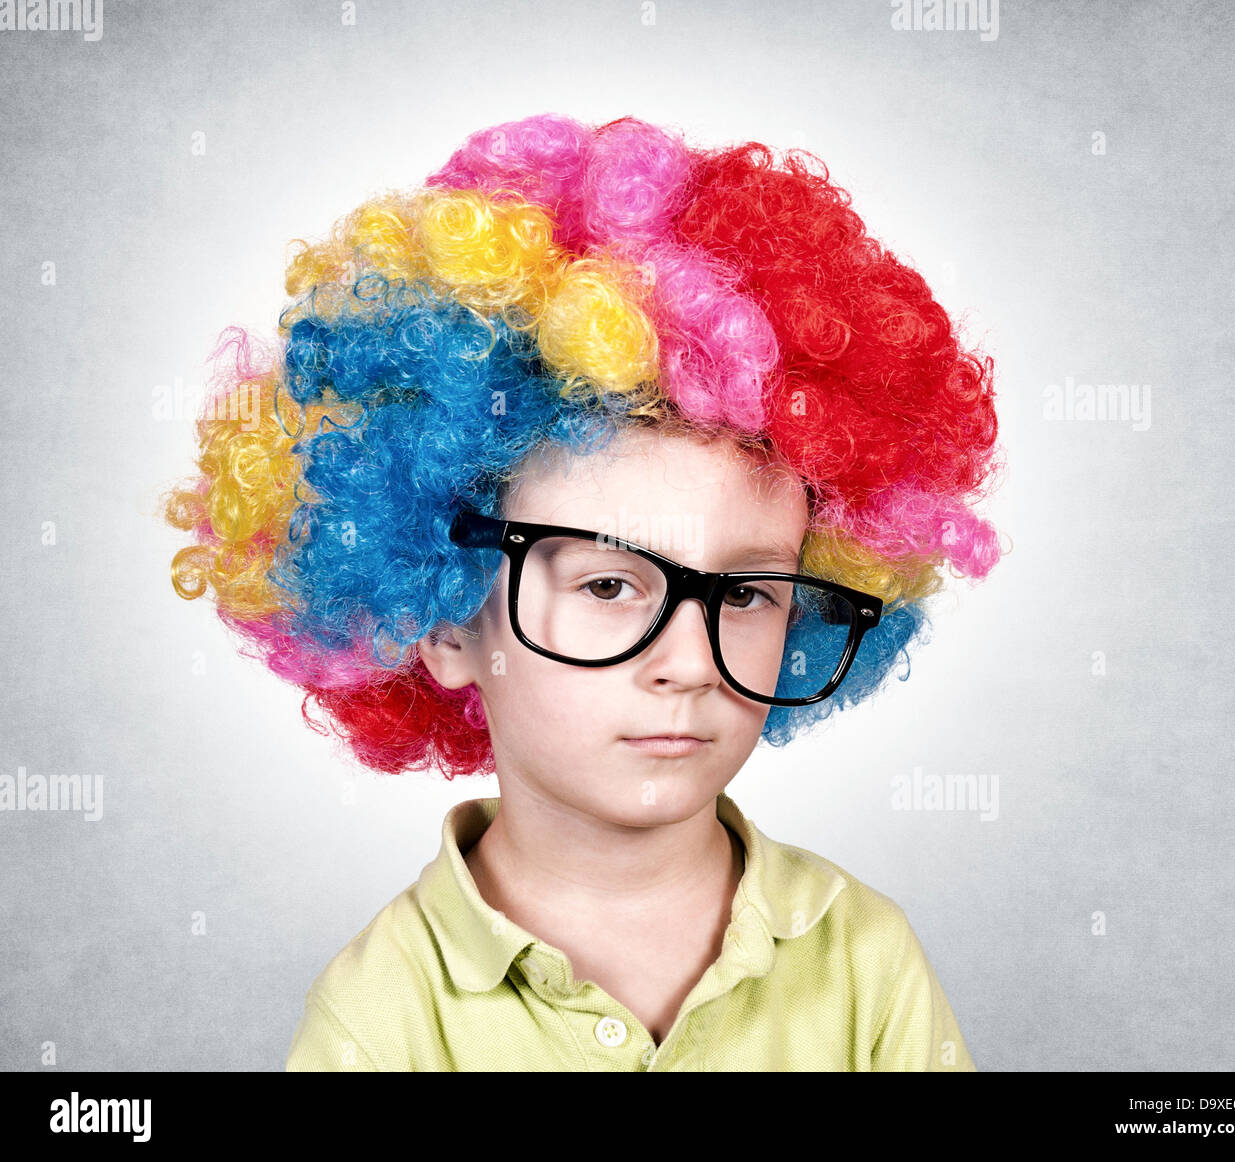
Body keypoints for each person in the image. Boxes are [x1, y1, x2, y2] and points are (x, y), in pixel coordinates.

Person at [161, 113, 1005, 1071]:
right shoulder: (383, 1013)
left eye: (743, 595)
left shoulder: (863, 962)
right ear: (444, 616)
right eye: (609, 582)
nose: (688, 664)